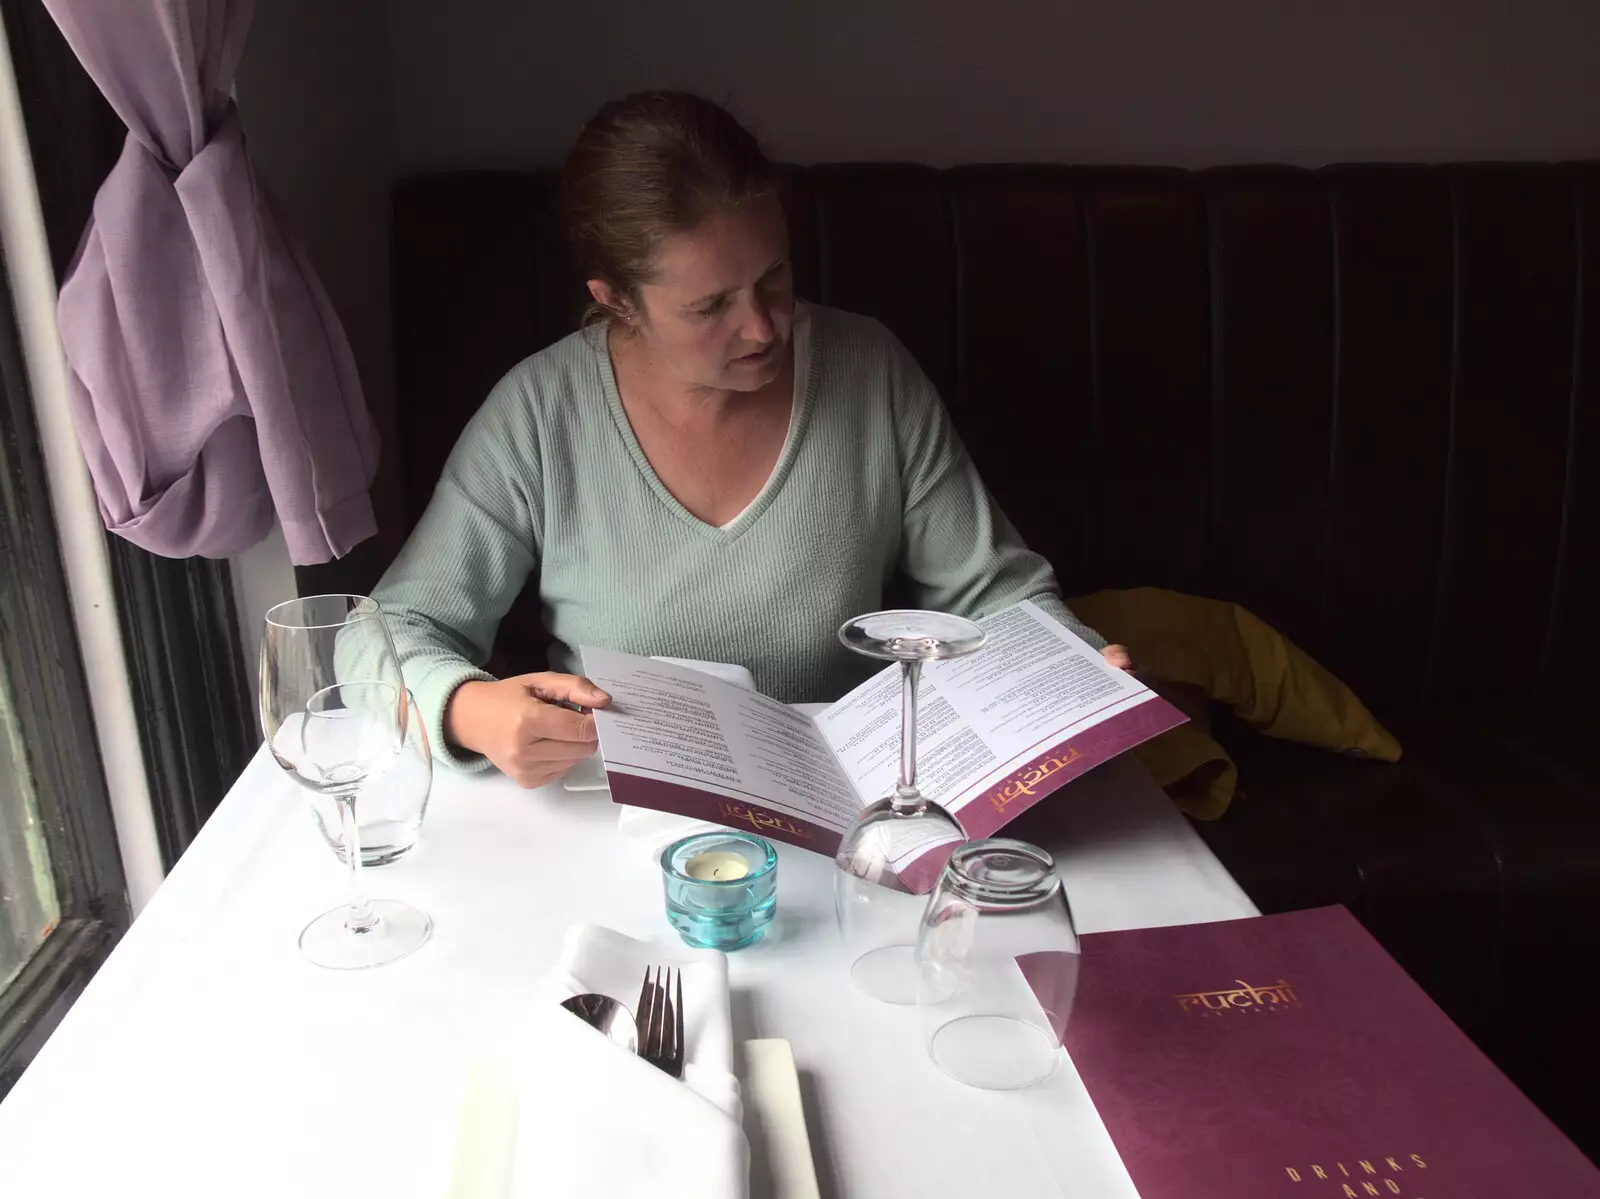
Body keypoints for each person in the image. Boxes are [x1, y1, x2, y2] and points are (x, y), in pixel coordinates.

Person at [372, 91, 1127, 788]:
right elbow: (389, 632)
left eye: (775, 275)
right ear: (617, 301)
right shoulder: (538, 413)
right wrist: (468, 709)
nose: (764, 326)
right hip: (621, 817)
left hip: (846, 800)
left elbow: (995, 594)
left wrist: (1068, 666)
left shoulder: (870, 371)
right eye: (710, 306)